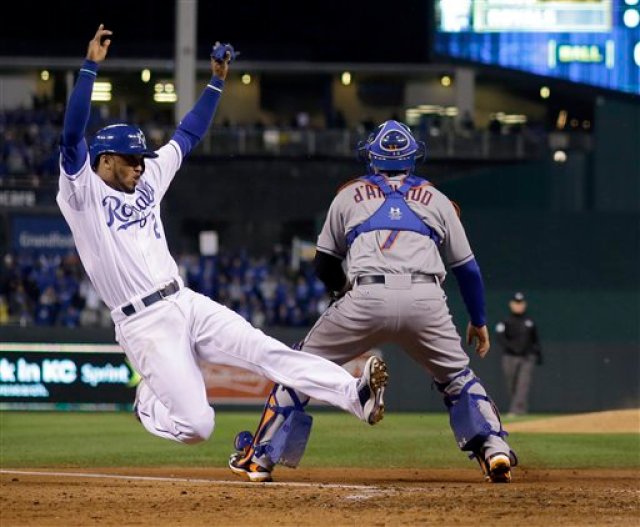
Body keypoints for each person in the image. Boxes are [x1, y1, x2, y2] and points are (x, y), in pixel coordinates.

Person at [56, 25, 388, 452]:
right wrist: (89, 68)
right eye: (132, 159)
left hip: (184, 300)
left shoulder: (149, 179)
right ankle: (147, 403)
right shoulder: (81, 192)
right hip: (143, 323)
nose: (141, 165)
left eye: (142, 158)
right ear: (105, 159)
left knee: (266, 349)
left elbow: (188, 135)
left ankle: (354, 395)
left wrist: (216, 81)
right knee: (198, 426)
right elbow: (70, 138)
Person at [229, 120, 518, 484]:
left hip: (366, 293)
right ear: (413, 157)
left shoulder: (348, 195)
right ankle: (495, 450)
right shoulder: (438, 200)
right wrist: (478, 319)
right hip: (426, 298)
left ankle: (260, 458)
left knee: (298, 369)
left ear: (372, 157)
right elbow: (468, 270)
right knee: (458, 380)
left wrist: (343, 291)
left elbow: (324, 262)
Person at [495, 292, 542, 416]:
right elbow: (500, 338)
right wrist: (512, 347)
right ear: (511, 304)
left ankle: (517, 410)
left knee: (523, 384)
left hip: (527, 357)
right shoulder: (505, 321)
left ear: (524, 305)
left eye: (521, 303)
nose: (518, 306)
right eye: (516, 303)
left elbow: (535, 340)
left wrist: (538, 355)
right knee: (512, 384)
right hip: (509, 356)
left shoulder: (529, 321)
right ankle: (520, 407)